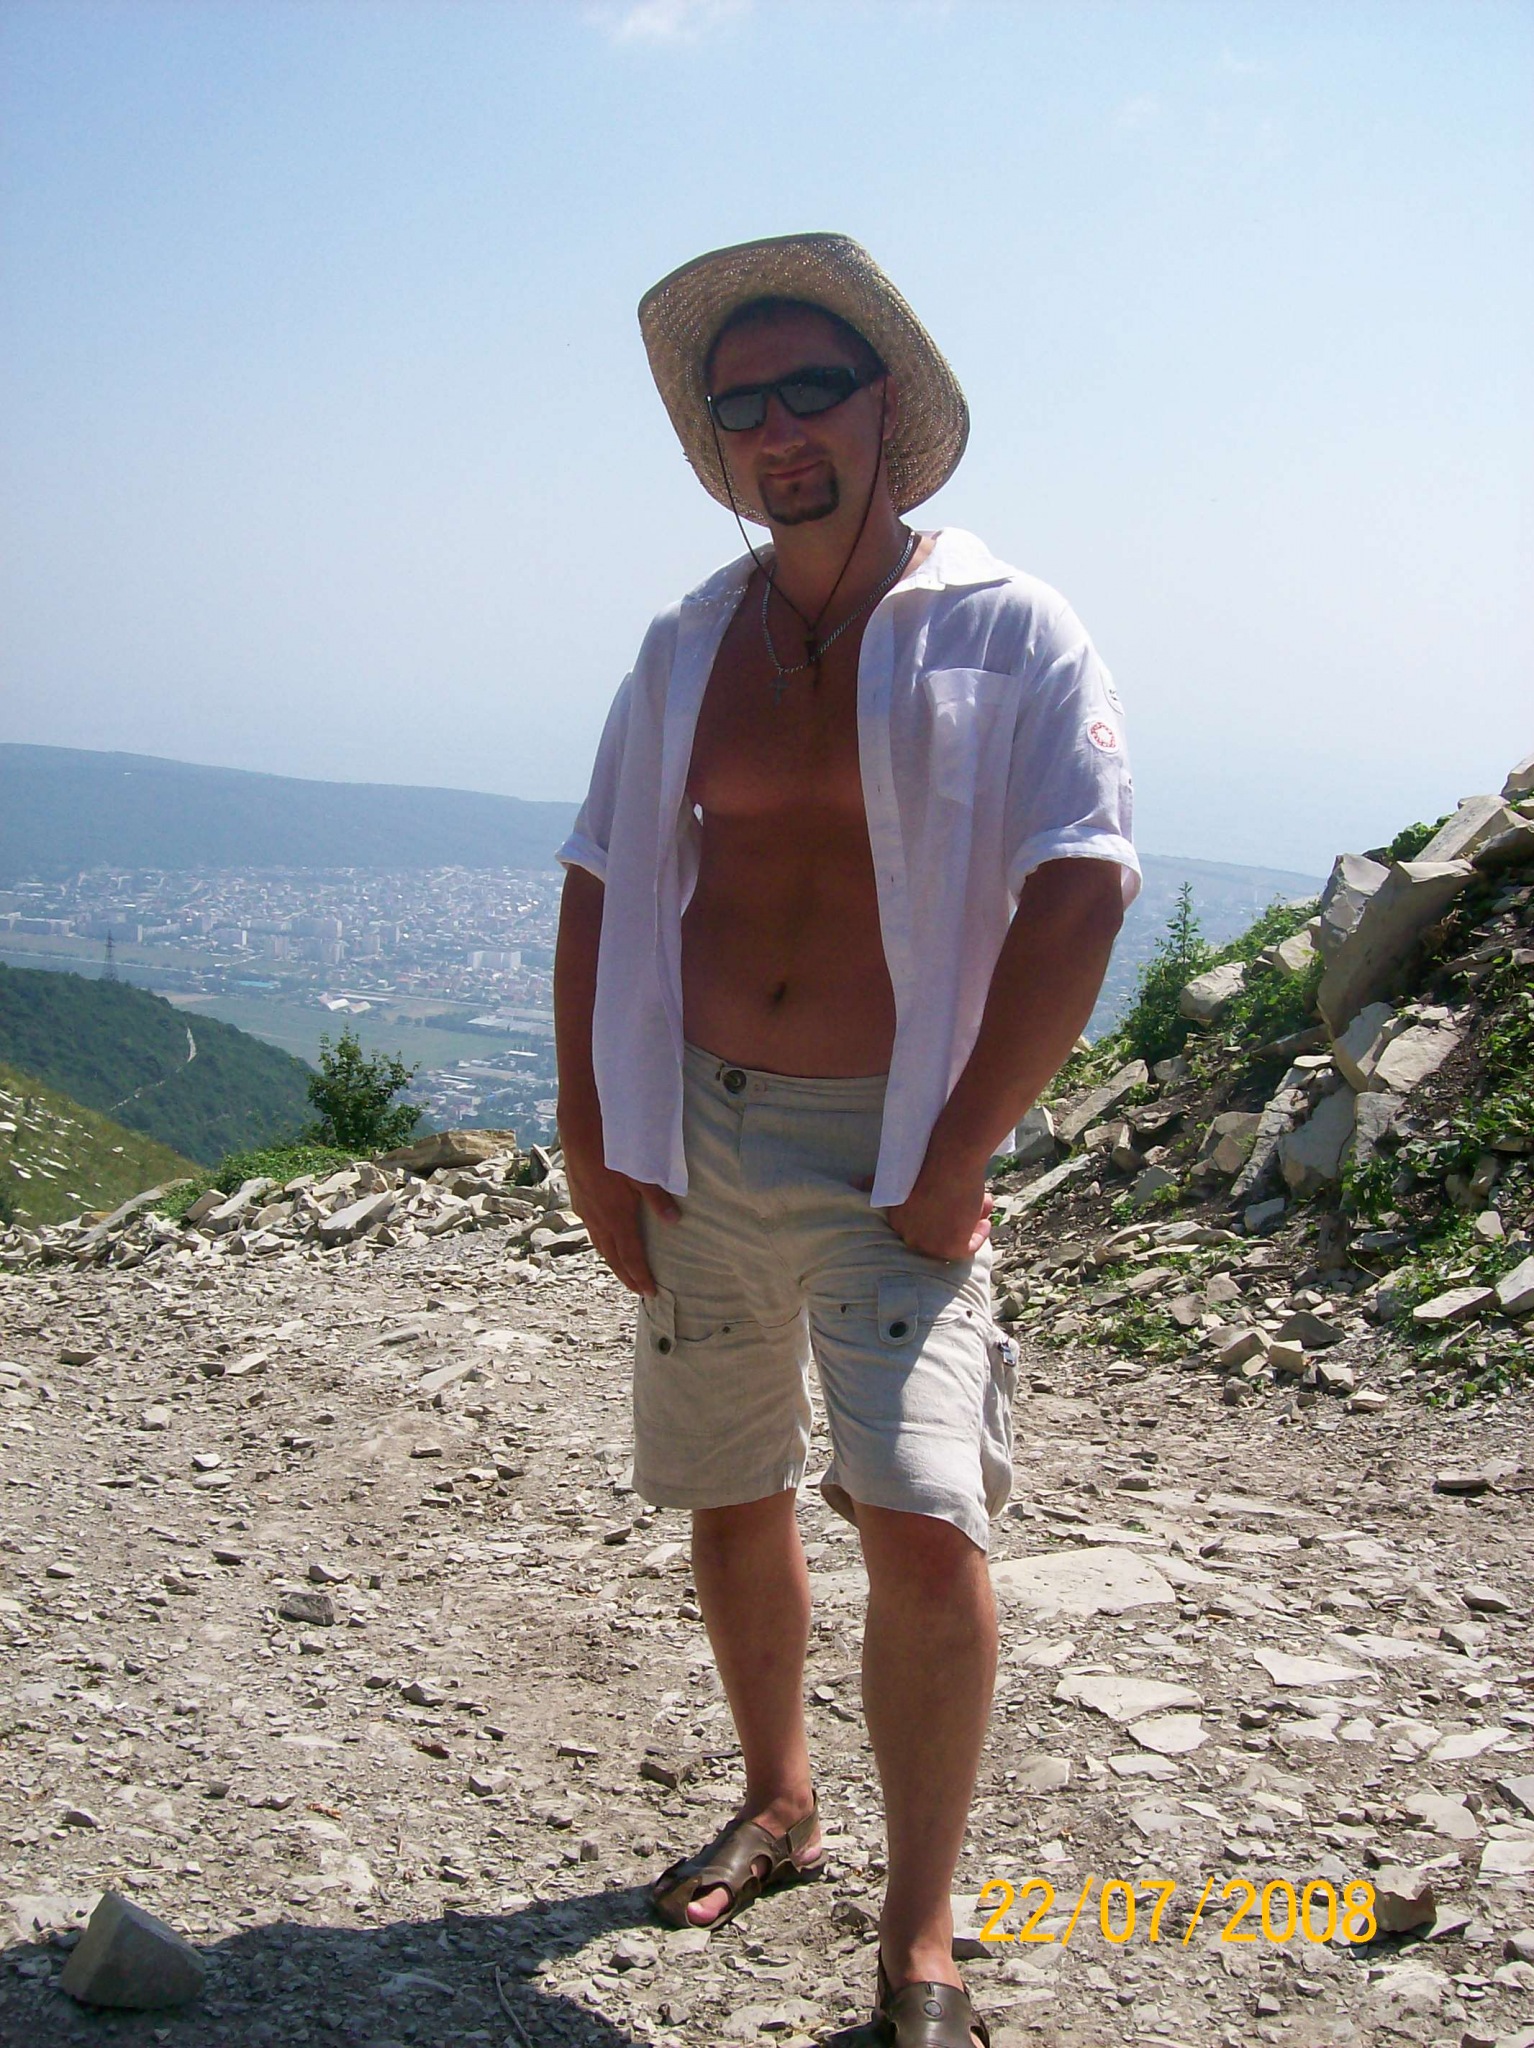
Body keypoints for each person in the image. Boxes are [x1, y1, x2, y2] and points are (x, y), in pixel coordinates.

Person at [553, 232, 1138, 2048]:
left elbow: (1083, 881)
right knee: (729, 1487)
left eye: (811, 388)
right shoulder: (686, 644)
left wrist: (959, 1152)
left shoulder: (1005, 625)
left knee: (924, 1523)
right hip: (698, 1127)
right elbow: (599, 875)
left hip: (896, 1149)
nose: (777, 428)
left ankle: (922, 1933)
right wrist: (593, 1125)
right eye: (741, 404)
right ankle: (778, 1801)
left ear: (888, 403)